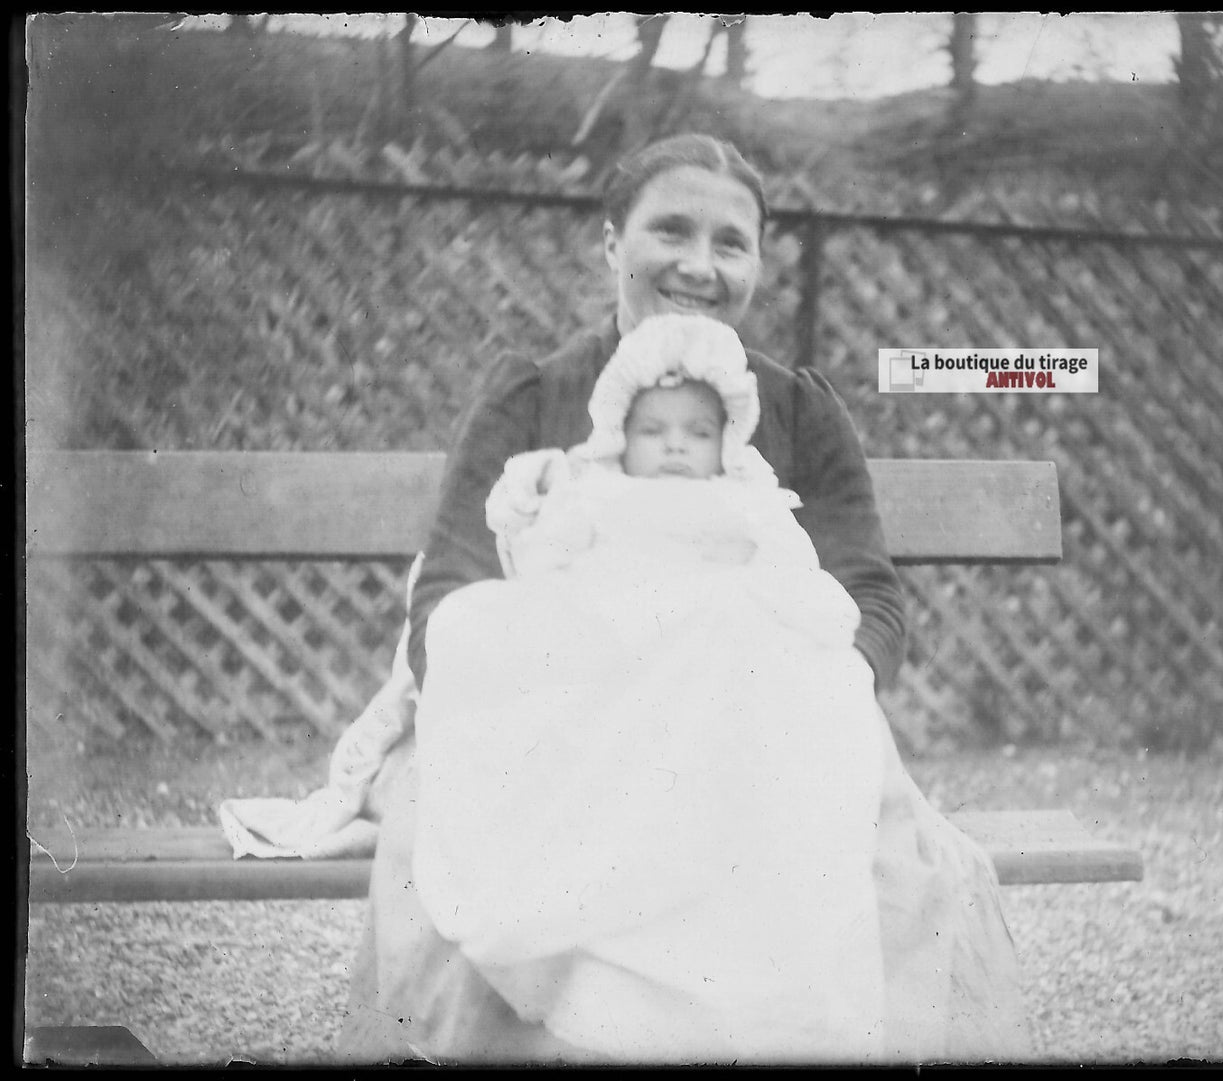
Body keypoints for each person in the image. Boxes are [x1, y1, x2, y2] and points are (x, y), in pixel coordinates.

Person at [338, 132, 1031, 1064]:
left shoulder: (794, 412)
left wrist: (781, 697)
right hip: (546, 739)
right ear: (611, 245)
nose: (698, 266)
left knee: (893, 877)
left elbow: (868, 597)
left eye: (730, 242)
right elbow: (451, 598)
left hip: (754, 736)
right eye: (669, 230)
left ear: (757, 264)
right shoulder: (534, 398)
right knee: (483, 888)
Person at [409, 311, 889, 1062]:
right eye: (654, 429)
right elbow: (540, 562)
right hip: (615, 660)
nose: (673, 446)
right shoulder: (596, 492)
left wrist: (781, 612)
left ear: (726, 441)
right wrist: (532, 503)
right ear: (620, 435)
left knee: (750, 643)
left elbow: (801, 581)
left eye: (696, 432)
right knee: (474, 624)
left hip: (708, 668)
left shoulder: (745, 501)